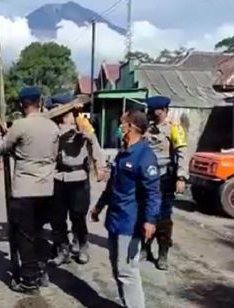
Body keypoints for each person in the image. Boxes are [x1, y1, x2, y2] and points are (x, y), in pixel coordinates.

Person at [0, 87, 59, 294]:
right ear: (39, 102)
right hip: (47, 190)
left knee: (24, 237)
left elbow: (1, 147)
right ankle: (41, 270)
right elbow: (52, 155)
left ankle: (29, 280)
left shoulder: (20, 125)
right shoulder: (52, 127)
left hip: (25, 191)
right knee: (39, 233)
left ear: (22, 104)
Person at [91, 109, 161, 308]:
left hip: (130, 223)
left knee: (127, 271)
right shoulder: (123, 152)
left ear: (131, 127)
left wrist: (150, 220)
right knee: (117, 268)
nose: (119, 128)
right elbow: (112, 186)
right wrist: (98, 207)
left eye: (122, 124)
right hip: (115, 219)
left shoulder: (145, 155)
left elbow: (153, 192)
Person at [46, 95, 106, 267]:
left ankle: (82, 245)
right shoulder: (52, 126)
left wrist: (99, 166)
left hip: (78, 177)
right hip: (58, 177)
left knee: (78, 216)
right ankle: (63, 249)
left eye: (58, 108)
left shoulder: (81, 122)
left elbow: (93, 144)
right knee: (57, 218)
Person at [141, 95, 188, 271]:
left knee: (163, 218)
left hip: (164, 178)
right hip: (147, 179)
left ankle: (162, 254)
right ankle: (145, 249)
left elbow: (182, 152)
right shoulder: (147, 128)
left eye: (154, 110)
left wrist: (181, 177)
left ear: (162, 110)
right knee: (145, 213)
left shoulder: (174, 128)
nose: (151, 113)